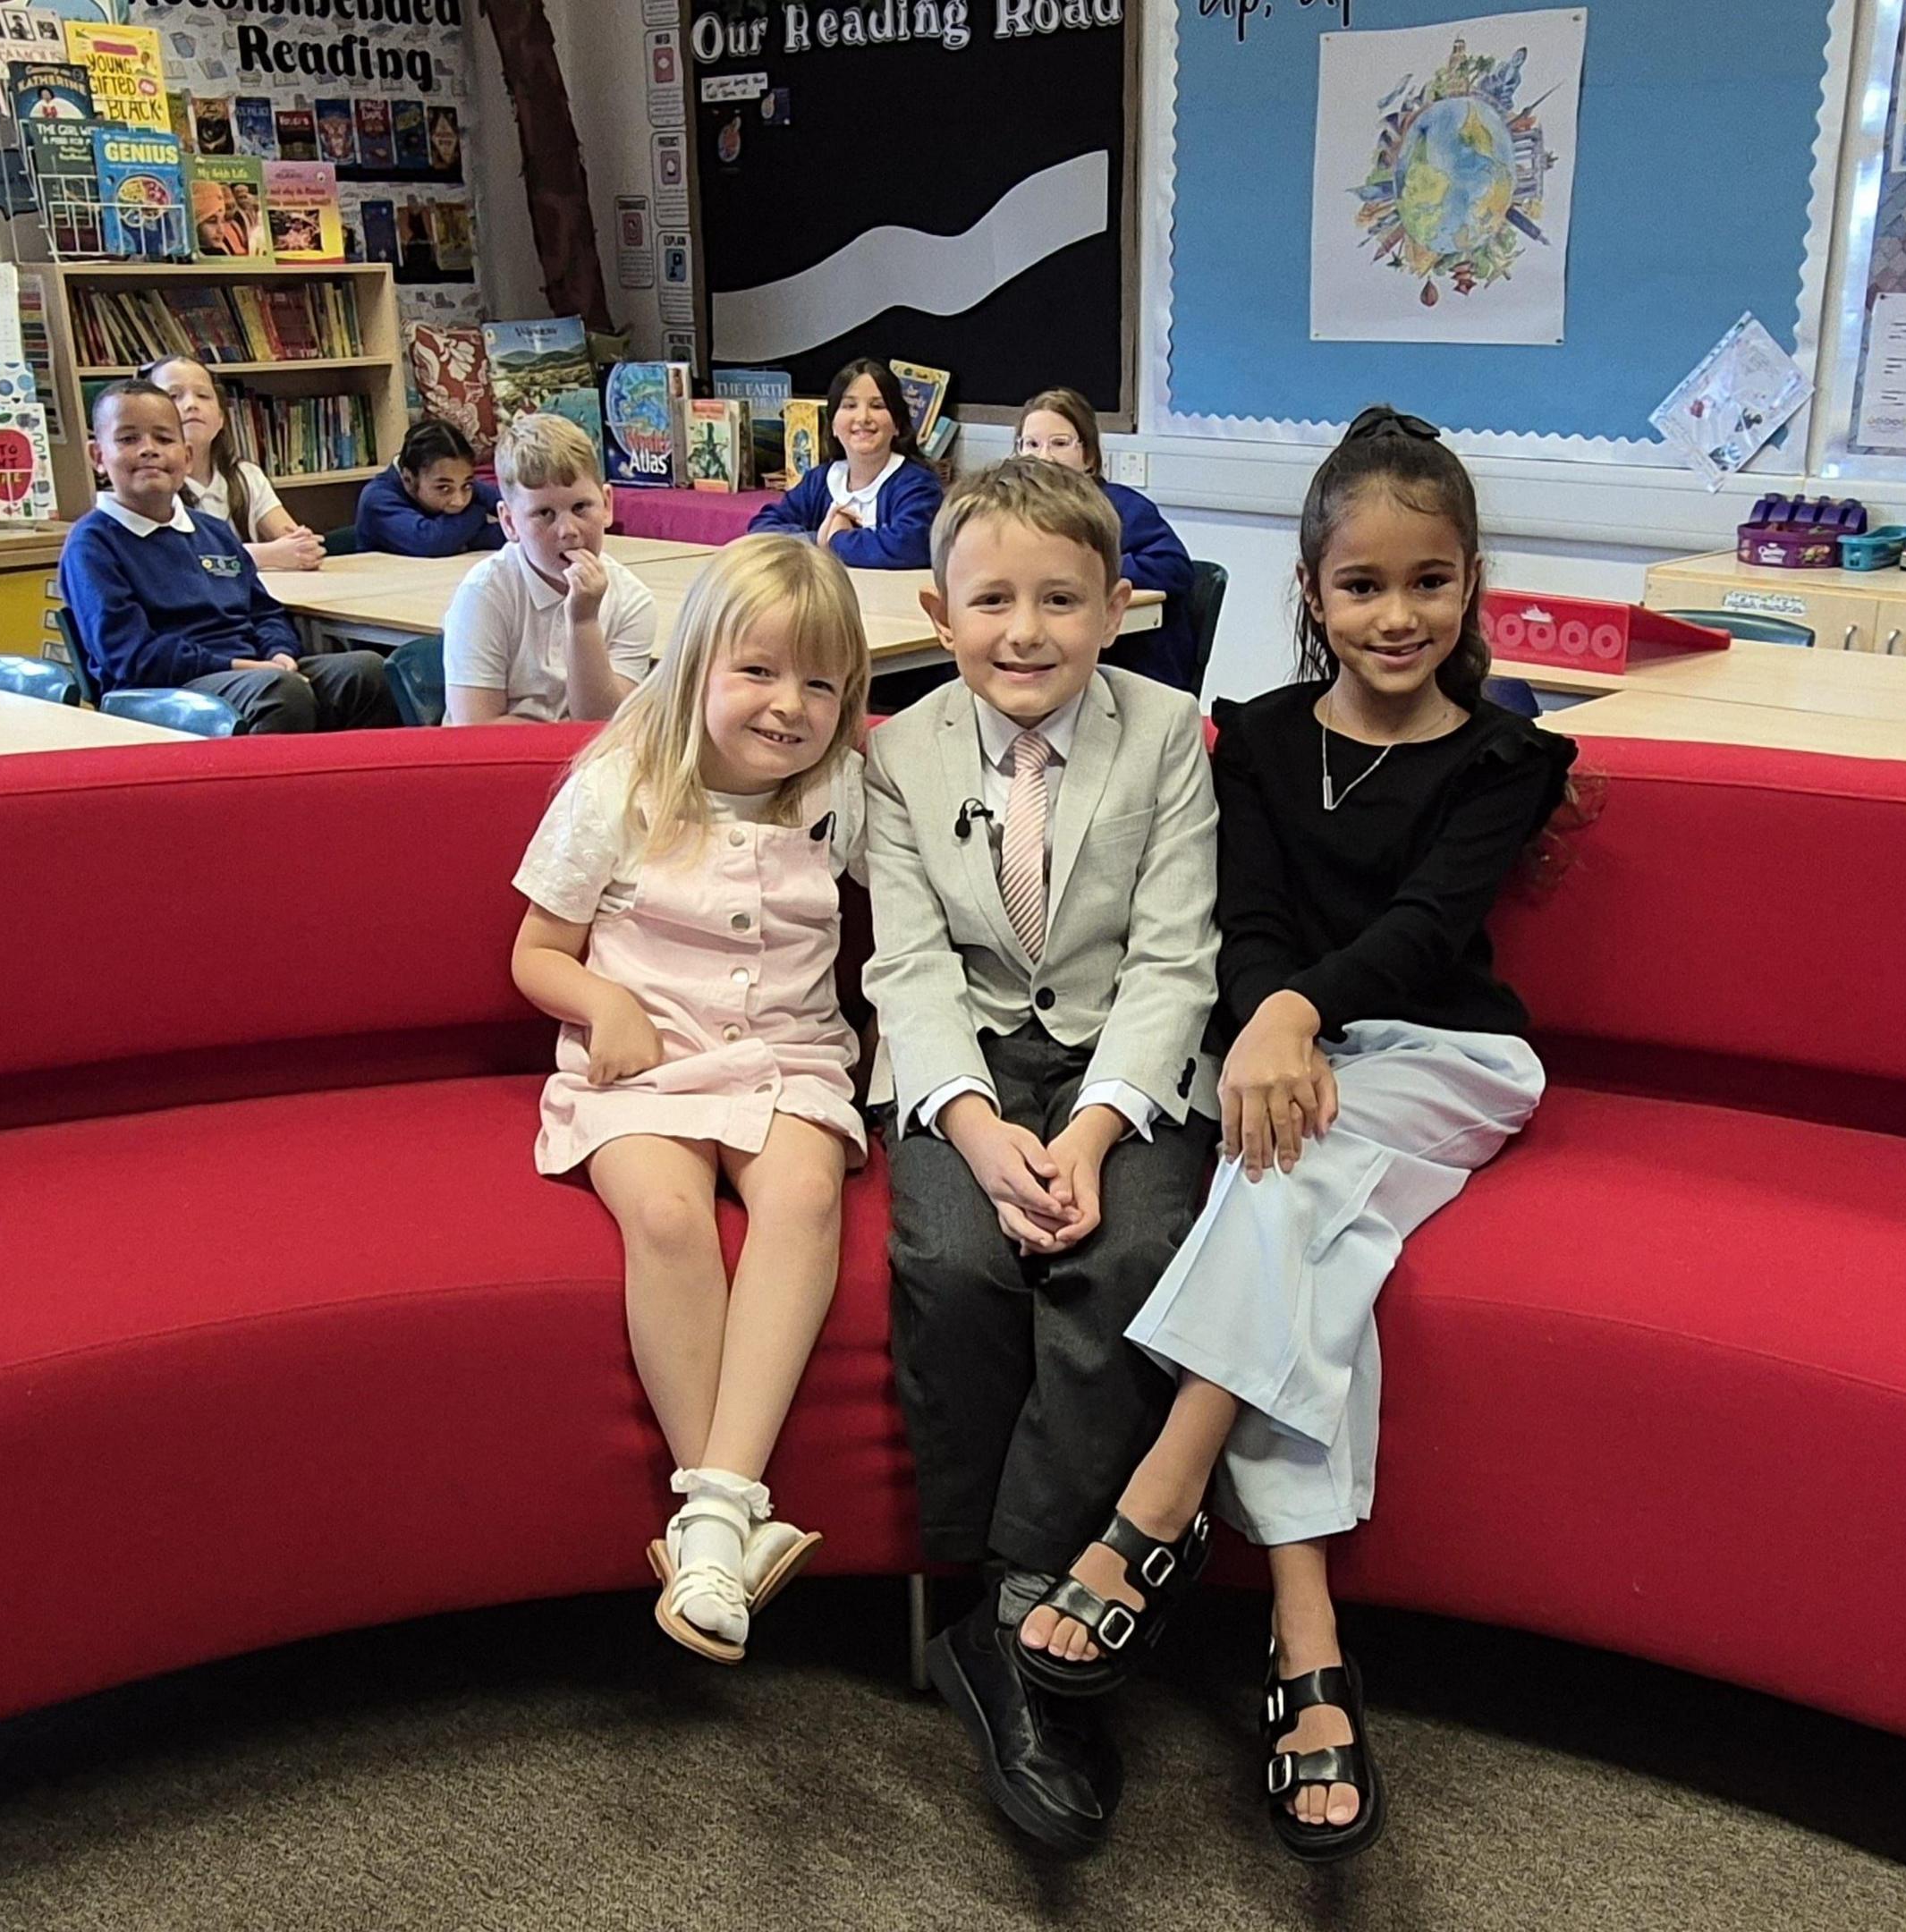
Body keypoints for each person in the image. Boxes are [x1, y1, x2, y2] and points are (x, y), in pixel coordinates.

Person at [1011, 407, 1575, 1865]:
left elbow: (1426, 932)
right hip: (1287, 1064)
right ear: (1312, 596)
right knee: (1303, 1218)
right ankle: (1306, 1640)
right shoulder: (1253, 741)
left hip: (1443, 1058)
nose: (1399, 615)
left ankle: (1160, 1496)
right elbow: (1246, 919)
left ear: (1471, 588)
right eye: (1365, 584)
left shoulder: (1512, 761)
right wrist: (1273, 1015)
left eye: (1431, 581)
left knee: (1284, 1166)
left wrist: (1288, 1020)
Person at [865, 459, 1221, 1857]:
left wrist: (1087, 1129)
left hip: (1119, 1075)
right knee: (953, 1261)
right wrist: (973, 1122)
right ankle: (1005, 1599)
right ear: (936, 609)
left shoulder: (1170, 737)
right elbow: (906, 964)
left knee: (1128, 1255)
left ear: (1120, 610)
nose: (1026, 631)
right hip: (965, 1074)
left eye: (1062, 601)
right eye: (992, 600)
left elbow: (1175, 959)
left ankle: (1012, 1616)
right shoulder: (900, 754)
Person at [507, 536, 874, 1662]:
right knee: (667, 1220)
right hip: (644, 1063)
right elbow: (536, 952)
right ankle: (723, 1522)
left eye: (821, 684)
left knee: (805, 1199)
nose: (789, 707)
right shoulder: (619, 784)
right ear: (696, 665)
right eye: (758, 672)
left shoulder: (841, 794)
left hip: (786, 1056)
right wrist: (600, 1003)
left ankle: (713, 1516)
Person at [56, 378, 397, 733]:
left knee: (369, 671)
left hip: (253, 672)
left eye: (164, 438)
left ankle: (353, 786)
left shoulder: (213, 531)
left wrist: (279, 652)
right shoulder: (92, 543)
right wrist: (240, 667)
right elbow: (132, 656)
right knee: (279, 693)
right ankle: (276, 788)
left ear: (186, 457)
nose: (149, 449)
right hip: (160, 691)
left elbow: (264, 611)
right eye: (128, 439)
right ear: (98, 457)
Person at [439, 415, 659, 724]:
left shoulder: (633, 600)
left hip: (591, 766)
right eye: (544, 514)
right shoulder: (485, 593)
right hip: (500, 769)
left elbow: (602, 725)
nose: (568, 530)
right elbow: (475, 732)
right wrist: (559, 732)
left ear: (607, 504)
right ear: (509, 522)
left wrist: (583, 621)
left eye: (581, 507)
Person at [1013, 386, 1193, 618]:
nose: (1044, 457)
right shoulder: (1010, 511)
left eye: (1059, 443)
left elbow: (1174, 568)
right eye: (1032, 445)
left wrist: (1091, 569)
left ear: (1088, 456)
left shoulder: (1123, 507)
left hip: (1125, 644)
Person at [749, 358, 942, 572]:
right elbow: (763, 529)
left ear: (897, 424)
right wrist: (820, 538)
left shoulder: (918, 485)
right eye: (849, 406)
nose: (863, 417)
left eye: (877, 406)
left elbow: (910, 546)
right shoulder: (819, 481)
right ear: (832, 425)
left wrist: (837, 540)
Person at [141, 354, 326, 575]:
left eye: (203, 395)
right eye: (174, 396)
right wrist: (268, 555)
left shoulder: (247, 476)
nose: (191, 405)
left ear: (221, 419)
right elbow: (181, 563)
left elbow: (293, 543)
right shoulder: (151, 486)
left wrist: (303, 546)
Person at [356, 419, 504, 558]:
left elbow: (516, 513)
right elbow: (430, 542)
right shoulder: (377, 498)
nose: (459, 501)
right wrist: (478, 514)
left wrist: (460, 539)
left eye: (467, 485)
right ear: (408, 479)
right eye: (444, 488)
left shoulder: (454, 480)